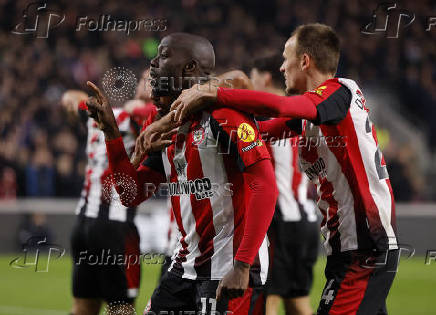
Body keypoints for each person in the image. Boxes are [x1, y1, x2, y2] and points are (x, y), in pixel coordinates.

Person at [170, 24, 399, 315]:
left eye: (285, 57)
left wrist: (218, 97)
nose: (281, 67)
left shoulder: (339, 92)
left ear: (304, 61)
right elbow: (257, 131)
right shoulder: (312, 116)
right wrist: (190, 124)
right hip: (347, 246)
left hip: (365, 245)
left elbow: (279, 107)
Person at [85, 32, 277, 315]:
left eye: (163, 55)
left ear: (189, 68)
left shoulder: (225, 114)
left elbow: (265, 184)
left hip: (228, 266)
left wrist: (243, 265)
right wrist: (112, 134)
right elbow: (130, 193)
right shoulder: (160, 121)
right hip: (185, 265)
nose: (153, 62)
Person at [61, 73, 152, 315]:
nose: (150, 79)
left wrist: (74, 98)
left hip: (83, 224)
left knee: (83, 307)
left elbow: (72, 99)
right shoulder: (140, 117)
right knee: (121, 308)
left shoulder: (103, 113)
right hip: (115, 228)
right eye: (147, 76)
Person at [250, 54, 319, 315]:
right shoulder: (303, 111)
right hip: (306, 217)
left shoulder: (266, 115)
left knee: (267, 299)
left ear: (265, 78)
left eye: (253, 75)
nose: (250, 82)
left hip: (279, 219)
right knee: (297, 302)